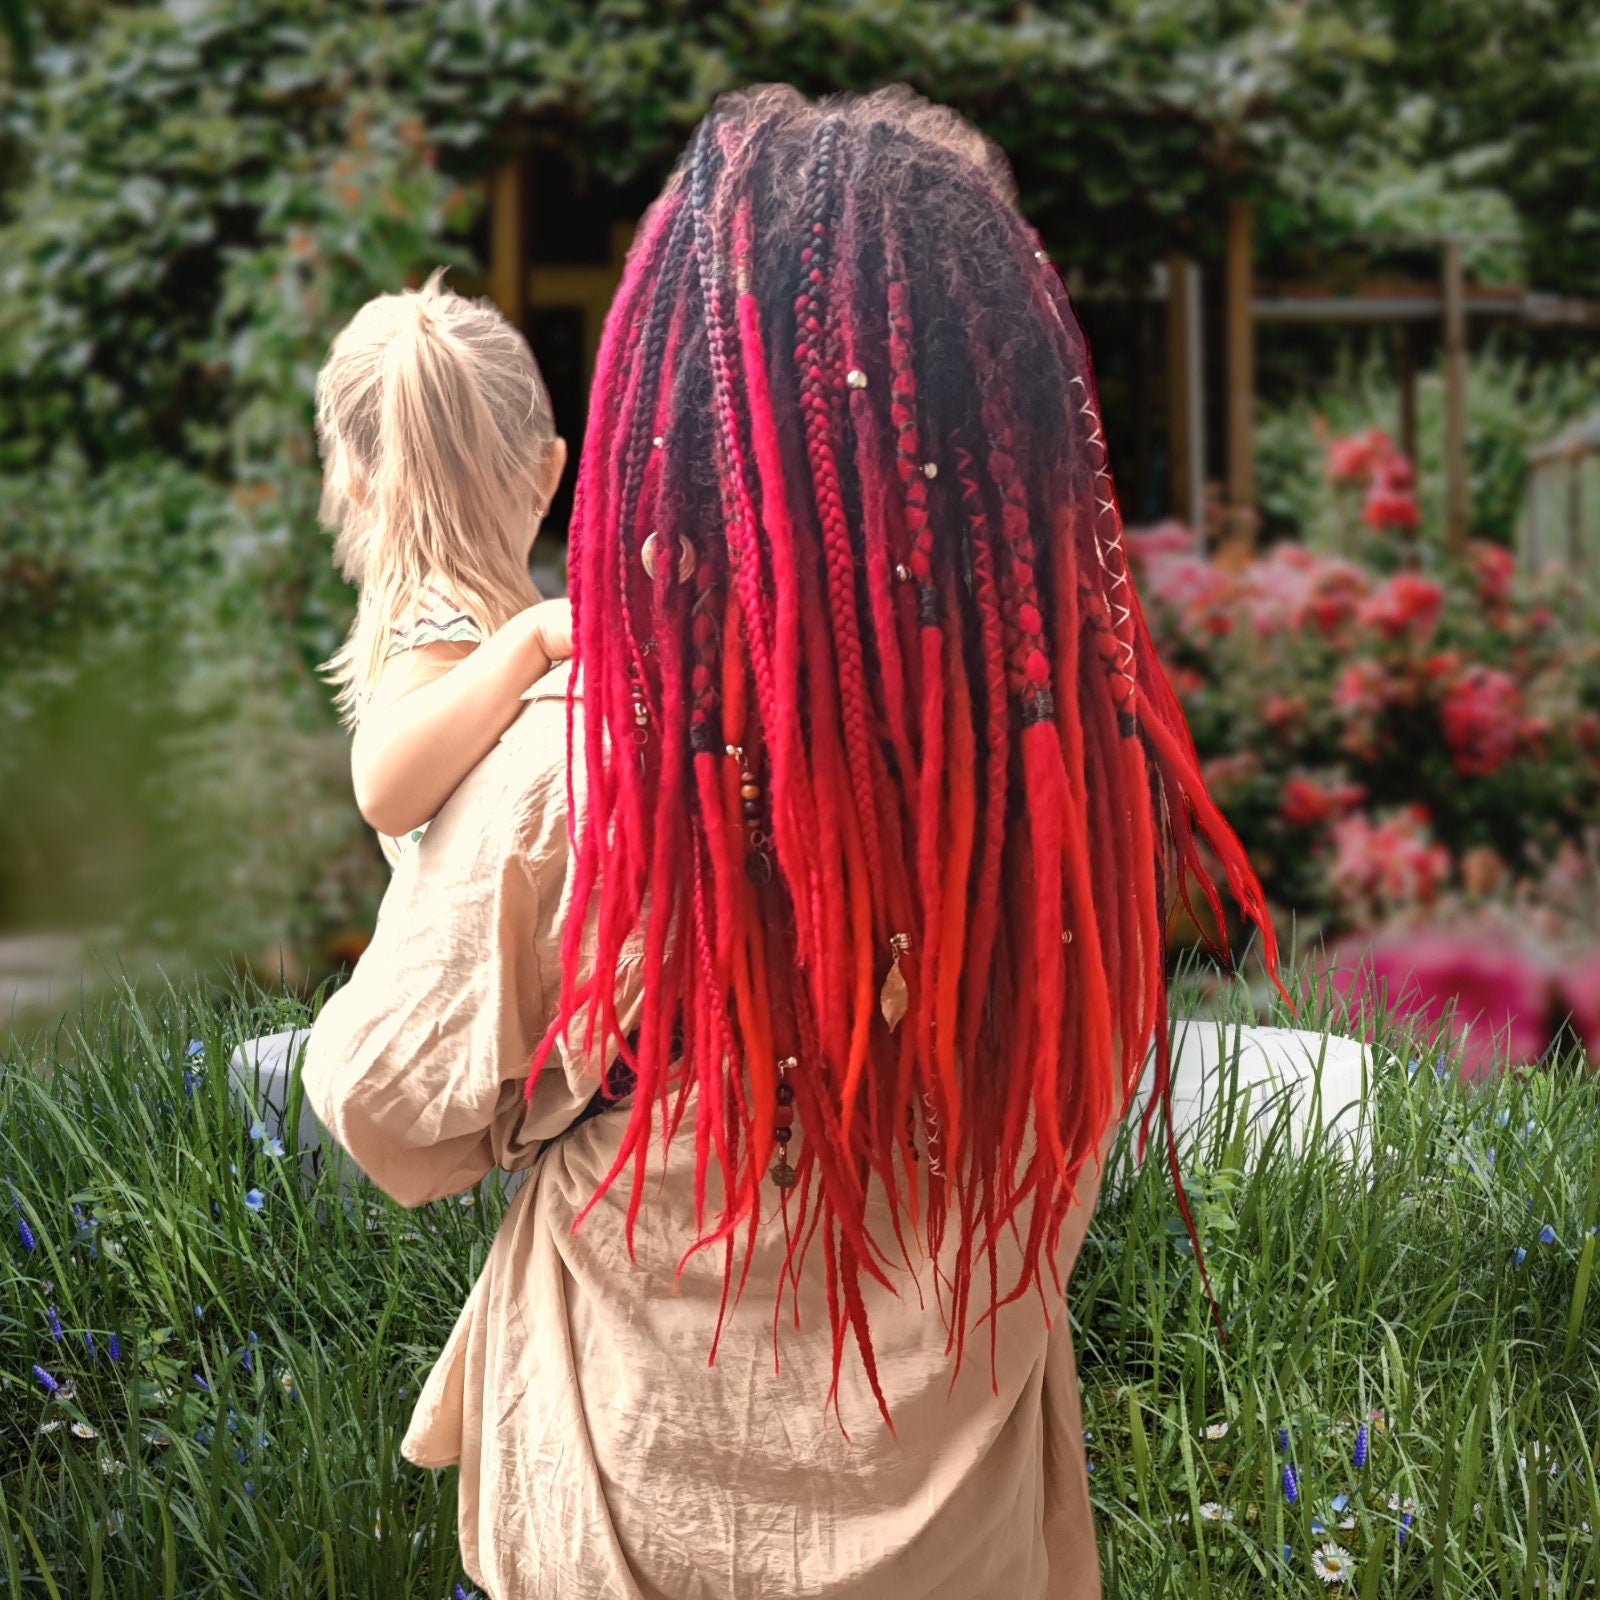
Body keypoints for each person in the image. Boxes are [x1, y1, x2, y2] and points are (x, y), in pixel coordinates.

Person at [301, 84, 1281, 1600]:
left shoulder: (596, 780)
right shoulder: (1065, 807)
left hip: (628, 1534)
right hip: (968, 1554)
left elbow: (389, 1112)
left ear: (676, 426)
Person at [313, 267, 573, 867]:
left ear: (353, 484)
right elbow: (385, 788)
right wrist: (529, 641)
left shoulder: (482, 619)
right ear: (549, 473)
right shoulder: (443, 615)